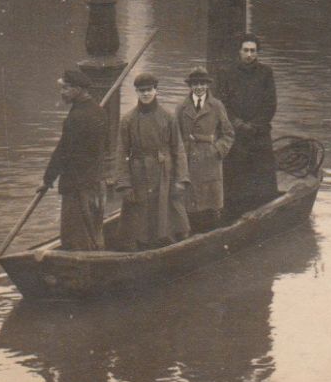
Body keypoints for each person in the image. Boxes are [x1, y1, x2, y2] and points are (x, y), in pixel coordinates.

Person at [112, 72, 190, 250]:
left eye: (149, 90)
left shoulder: (168, 117)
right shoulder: (128, 120)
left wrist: (181, 179)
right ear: (137, 92)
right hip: (139, 173)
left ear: (156, 90)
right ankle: (140, 245)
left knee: (167, 210)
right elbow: (121, 152)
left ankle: (170, 243)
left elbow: (178, 149)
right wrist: (125, 184)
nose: (145, 94)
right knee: (139, 214)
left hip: (164, 173)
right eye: (141, 91)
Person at [42, 66, 109, 252]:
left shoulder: (76, 118)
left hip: (77, 186)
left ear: (78, 90)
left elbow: (63, 152)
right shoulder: (99, 112)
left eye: (66, 88)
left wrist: (48, 179)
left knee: (75, 236)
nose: (62, 92)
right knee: (93, 231)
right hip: (95, 182)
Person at [218, 32, 279, 214]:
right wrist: (237, 124)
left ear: (257, 53)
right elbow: (223, 104)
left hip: (259, 132)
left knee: (263, 175)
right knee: (235, 176)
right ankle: (234, 212)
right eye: (246, 50)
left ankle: (265, 209)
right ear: (239, 52)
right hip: (236, 133)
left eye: (253, 51)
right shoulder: (227, 73)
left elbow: (270, 104)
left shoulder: (266, 73)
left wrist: (255, 125)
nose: (249, 54)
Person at [175, 67, 236, 228]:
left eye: (202, 83)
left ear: (207, 85)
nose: (199, 87)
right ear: (190, 86)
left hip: (210, 161)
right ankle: (191, 232)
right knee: (190, 202)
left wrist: (217, 150)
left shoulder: (216, 106)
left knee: (211, 203)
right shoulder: (181, 107)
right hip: (188, 160)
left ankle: (213, 232)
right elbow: (175, 136)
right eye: (195, 84)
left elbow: (228, 133)